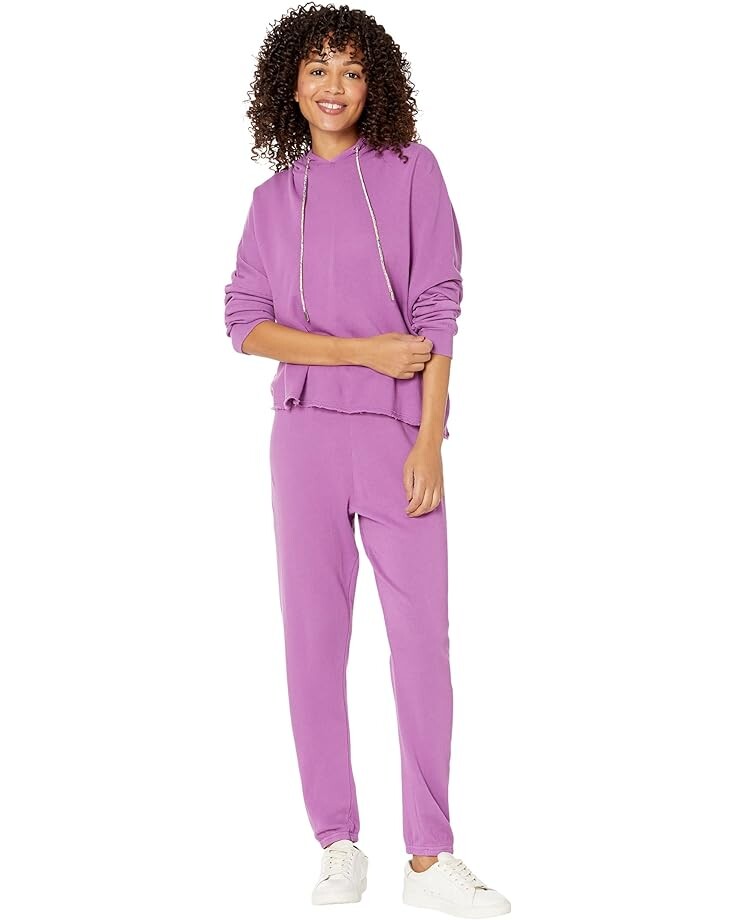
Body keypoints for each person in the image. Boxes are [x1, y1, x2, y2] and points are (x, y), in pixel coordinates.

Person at [223, 5, 511, 917]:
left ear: (373, 83)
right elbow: (244, 323)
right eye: (317, 69)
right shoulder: (271, 202)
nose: (333, 86)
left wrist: (429, 438)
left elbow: (439, 306)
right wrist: (360, 352)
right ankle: (337, 843)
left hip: (397, 436)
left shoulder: (411, 170)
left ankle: (429, 856)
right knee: (314, 641)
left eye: (350, 70)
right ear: (290, 84)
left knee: (421, 641)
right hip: (304, 435)